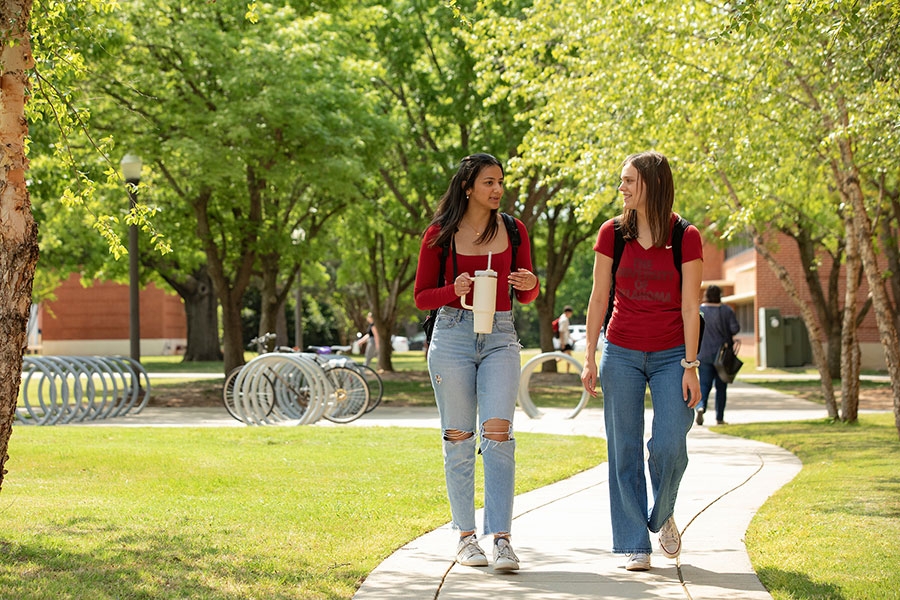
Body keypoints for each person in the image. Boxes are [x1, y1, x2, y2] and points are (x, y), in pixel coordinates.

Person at [414, 153, 540, 572]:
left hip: (501, 334)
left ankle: (502, 539)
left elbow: (526, 295)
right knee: (459, 439)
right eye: (489, 182)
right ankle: (466, 538)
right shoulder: (439, 234)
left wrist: (531, 284)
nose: (497, 189)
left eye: (500, 181)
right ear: (468, 187)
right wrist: (454, 288)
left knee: (499, 434)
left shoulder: (515, 231)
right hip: (451, 336)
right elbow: (420, 299)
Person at [579, 151, 703, 573]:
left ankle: (661, 512)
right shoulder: (612, 232)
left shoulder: (686, 236)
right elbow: (599, 297)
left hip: (672, 355)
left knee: (670, 444)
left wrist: (691, 366)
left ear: (650, 182)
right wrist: (590, 355)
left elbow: (690, 307)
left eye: (629, 180)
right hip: (622, 351)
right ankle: (636, 543)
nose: (622, 188)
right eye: (621, 180)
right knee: (624, 449)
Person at [695, 285, 740, 425]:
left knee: (704, 384)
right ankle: (719, 418)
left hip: (703, 353)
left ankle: (701, 406)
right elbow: (735, 328)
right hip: (722, 355)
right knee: (721, 387)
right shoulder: (726, 310)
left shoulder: (700, 311)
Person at [557, 306, 574, 372]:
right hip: (564, 341)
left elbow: (566, 331)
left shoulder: (564, 318)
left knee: (566, 356)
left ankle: (567, 371)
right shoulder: (564, 320)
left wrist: (571, 338)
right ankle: (567, 371)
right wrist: (562, 343)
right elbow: (561, 332)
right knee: (568, 357)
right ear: (568, 312)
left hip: (565, 340)